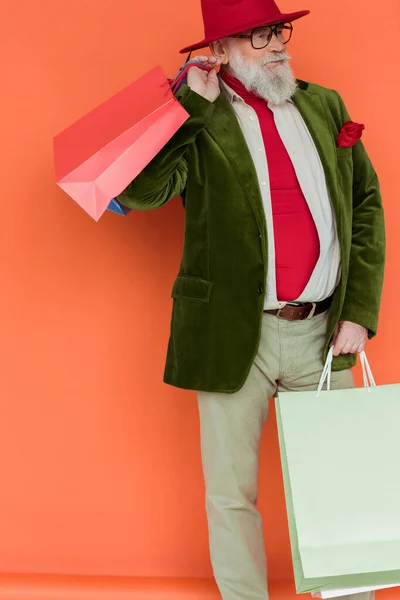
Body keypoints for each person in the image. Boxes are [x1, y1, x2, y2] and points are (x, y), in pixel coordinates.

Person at [117, 0, 385, 597]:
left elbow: (365, 204)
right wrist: (189, 105)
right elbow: (138, 191)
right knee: (231, 493)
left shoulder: (324, 103)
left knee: (337, 482)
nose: (275, 45)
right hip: (235, 330)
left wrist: (359, 314)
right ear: (221, 50)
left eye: (277, 31)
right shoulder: (200, 118)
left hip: (325, 331)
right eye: (257, 36)